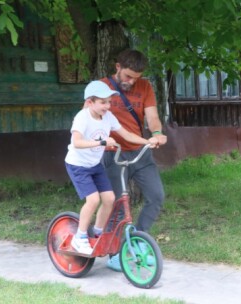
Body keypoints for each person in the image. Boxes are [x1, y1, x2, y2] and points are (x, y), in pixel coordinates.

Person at [65, 80, 159, 255]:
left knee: (109, 199)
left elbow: (126, 134)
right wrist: (101, 142)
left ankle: (98, 233)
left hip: (94, 164)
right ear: (90, 102)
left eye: (109, 102)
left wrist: (147, 141)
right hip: (78, 165)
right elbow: (76, 142)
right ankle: (80, 237)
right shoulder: (82, 117)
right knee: (93, 200)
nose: (107, 106)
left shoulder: (108, 117)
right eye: (103, 102)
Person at [99, 49, 168, 271]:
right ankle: (115, 254)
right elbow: (87, 117)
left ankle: (136, 243)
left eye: (135, 78)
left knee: (156, 196)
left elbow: (153, 117)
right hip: (113, 153)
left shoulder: (145, 86)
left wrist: (157, 134)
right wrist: (101, 139)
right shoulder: (101, 87)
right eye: (128, 76)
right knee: (118, 205)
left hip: (140, 152)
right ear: (117, 67)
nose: (131, 82)